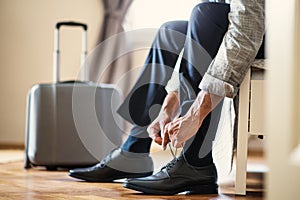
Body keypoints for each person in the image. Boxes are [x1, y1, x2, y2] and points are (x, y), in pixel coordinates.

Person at [69, 0, 265, 195]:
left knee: (206, 14)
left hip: (274, 36)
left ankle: (196, 162)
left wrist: (195, 115)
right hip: (243, 26)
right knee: (170, 31)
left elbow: (246, 32)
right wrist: (169, 104)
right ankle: (134, 148)